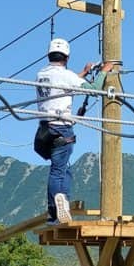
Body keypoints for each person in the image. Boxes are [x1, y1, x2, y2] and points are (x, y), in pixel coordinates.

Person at [35, 38, 114, 224]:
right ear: (67, 57)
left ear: (49, 54)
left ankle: (59, 207)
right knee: (58, 172)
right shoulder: (67, 76)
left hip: (45, 129)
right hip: (62, 128)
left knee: (62, 170)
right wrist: (103, 72)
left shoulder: (41, 74)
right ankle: (56, 211)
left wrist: (84, 73)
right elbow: (94, 89)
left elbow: (62, 85)